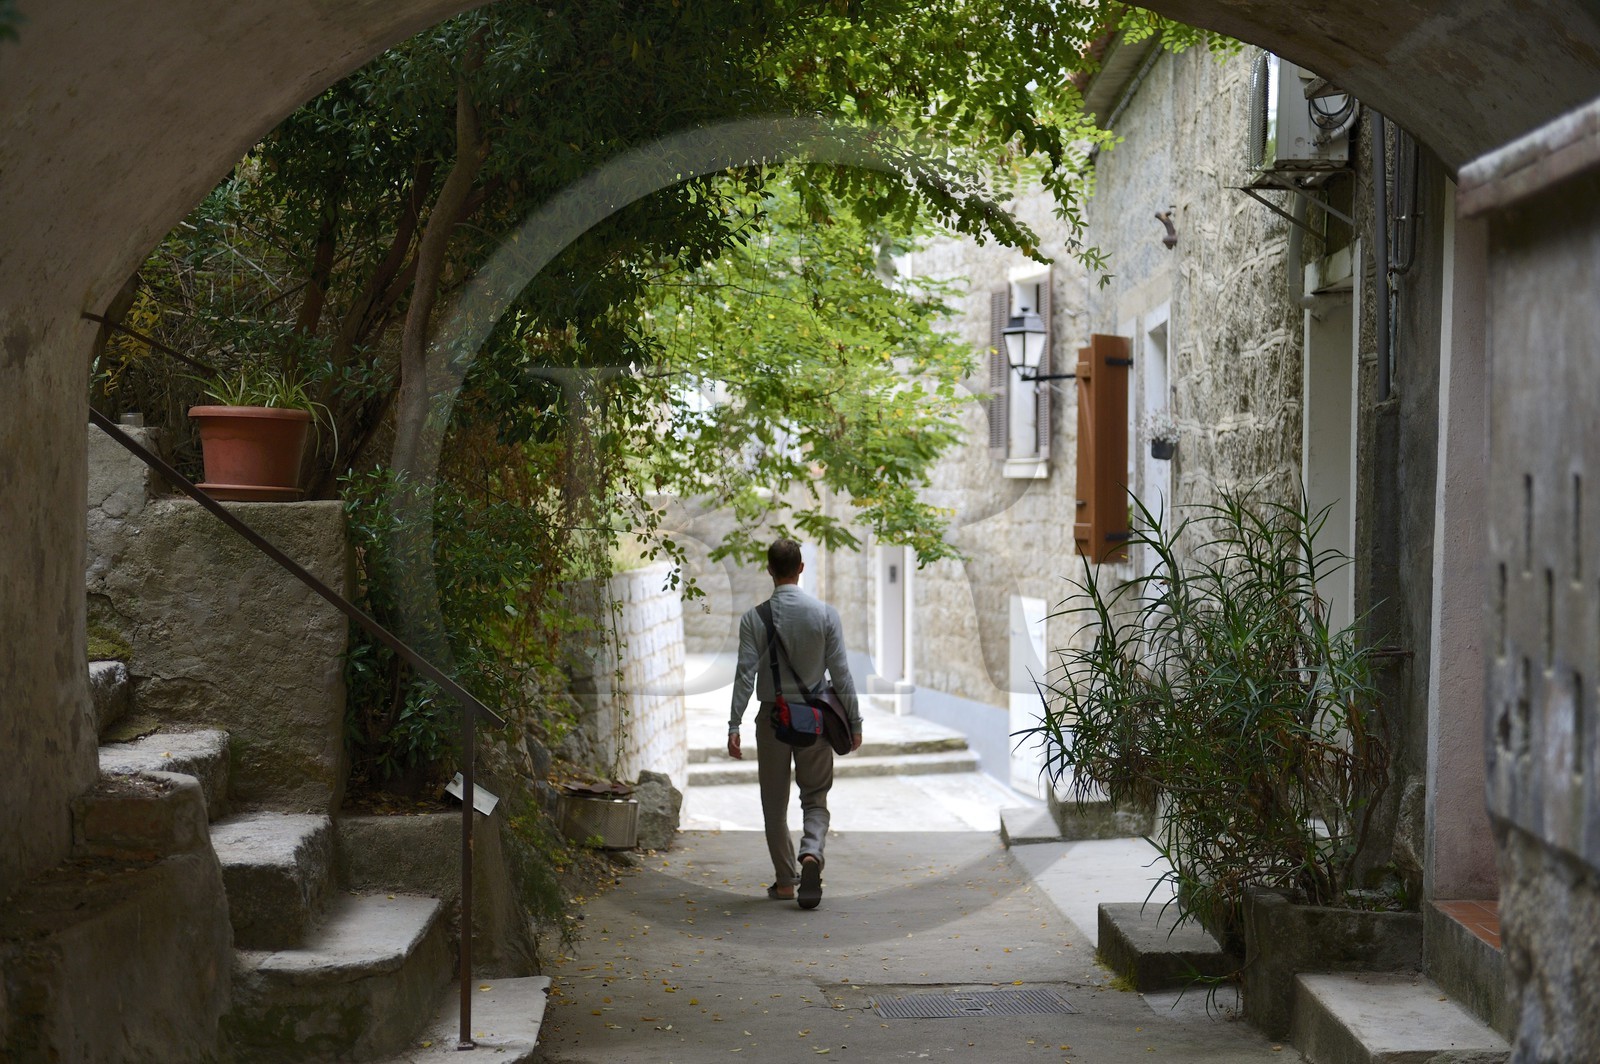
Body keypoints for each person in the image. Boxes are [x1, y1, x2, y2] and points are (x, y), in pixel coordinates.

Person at [728, 538, 862, 909]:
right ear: (800, 568)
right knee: (815, 798)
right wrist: (854, 721)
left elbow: (744, 675)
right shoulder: (825, 615)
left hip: (772, 719)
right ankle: (811, 853)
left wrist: (733, 724)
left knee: (774, 803)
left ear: (769, 569)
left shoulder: (754, 619)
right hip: (815, 720)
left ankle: (786, 882)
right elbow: (842, 674)